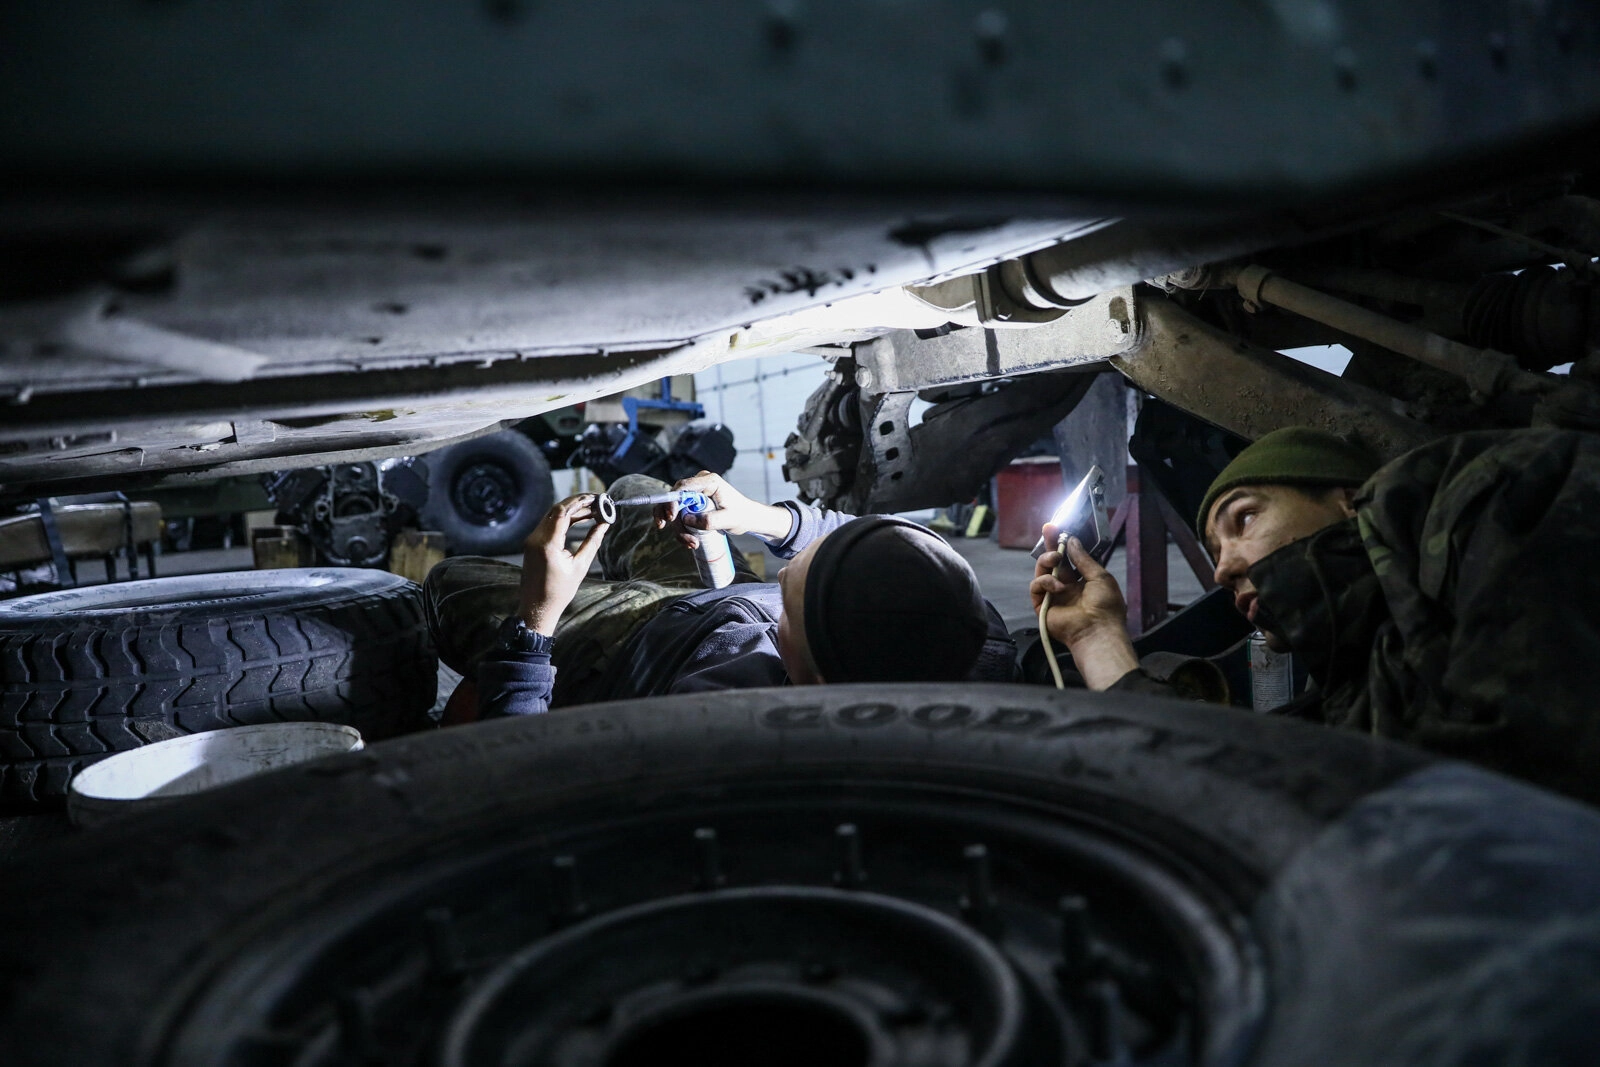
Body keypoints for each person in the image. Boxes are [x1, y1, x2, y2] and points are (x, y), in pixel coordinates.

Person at [1035, 425, 1600, 806]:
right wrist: (1092, 633)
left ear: (1347, 500)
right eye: (1213, 553)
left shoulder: (1485, 500)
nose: (1222, 571)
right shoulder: (1366, 677)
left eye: (1245, 519)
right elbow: (1254, 792)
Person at [424, 471, 1010, 720]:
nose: (783, 573)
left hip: (634, 653)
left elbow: (527, 776)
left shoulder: (714, 733)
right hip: (717, 604)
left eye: (793, 610)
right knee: (635, 490)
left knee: (451, 585)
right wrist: (756, 516)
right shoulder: (965, 625)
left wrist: (538, 618)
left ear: (811, 686)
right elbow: (878, 541)